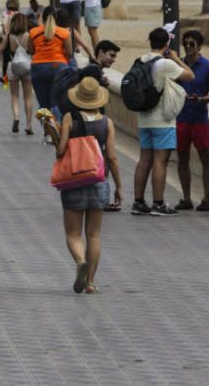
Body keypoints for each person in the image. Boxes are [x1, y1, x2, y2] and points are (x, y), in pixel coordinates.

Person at [56, 78, 122, 295]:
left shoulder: (69, 118)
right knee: (94, 234)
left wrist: (54, 132)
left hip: (74, 181)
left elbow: (60, 150)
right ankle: (91, 282)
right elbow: (111, 157)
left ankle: (80, 261)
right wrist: (119, 186)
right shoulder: (107, 123)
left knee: (73, 234)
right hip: (99, 181)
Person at [130, 28, 194, 217]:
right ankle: (158, 203)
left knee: (144, 160)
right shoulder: (165, 63)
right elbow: (190, 75)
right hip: (162, 120)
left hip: (144, 117)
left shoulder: (140, 60)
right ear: (167, 43)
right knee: (160, 161)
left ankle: (138, 201)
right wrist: (175, 57)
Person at [174, 30, 209, 212]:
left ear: (199, 46)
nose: (187, 47)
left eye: (191, 44)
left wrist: (199, 99)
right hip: (181, 118)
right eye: (185, 43)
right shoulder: (178, 66)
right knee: (182, 158)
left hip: (200, 118)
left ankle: (207, 199)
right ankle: (186, 198)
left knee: (205, 158)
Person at [0, 13, 35, 135]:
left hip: (13, 67)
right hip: (27, 66)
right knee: (28, 97)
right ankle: (28, 125)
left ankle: (16, 118)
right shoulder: (29, 36)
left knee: (14, 96)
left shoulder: (9, 36)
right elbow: (33, 52)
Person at [27, 6, 72, 111]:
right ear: (56, 18)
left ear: (42, 18)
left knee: (43, 106)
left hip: (38, 68)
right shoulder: (64, 33)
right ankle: (58, 125)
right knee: (56, 102)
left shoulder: (33, 32)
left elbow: (31, 51)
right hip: (58, 67)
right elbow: (69, 53)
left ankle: (46, 126)